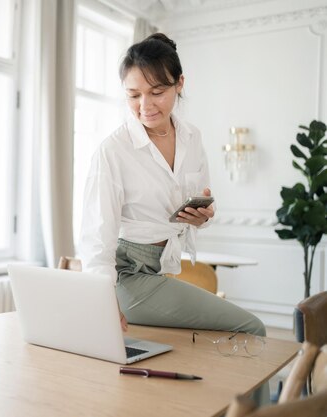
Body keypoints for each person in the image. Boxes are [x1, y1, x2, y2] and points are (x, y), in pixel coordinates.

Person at [79, 33, 266, 338]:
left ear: (180, 83)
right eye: (134, 95)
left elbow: (201, 204)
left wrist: (202, 217)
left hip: (163, 268)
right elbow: (96, 238)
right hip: (127, 276)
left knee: (215, 345)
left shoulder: (192, 138)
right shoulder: (113, 150)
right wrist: (103, 303)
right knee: (252, 328)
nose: (145, 105)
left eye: (157, 92)